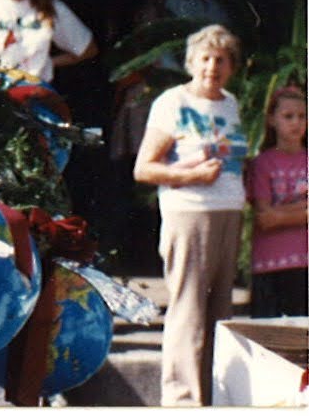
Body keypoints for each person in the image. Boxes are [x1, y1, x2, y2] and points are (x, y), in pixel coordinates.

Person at [133, 24, 249, 406]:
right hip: (190, 214)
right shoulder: (172, 102)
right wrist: (192, 176)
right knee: (188, 307)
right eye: (206, 58)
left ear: (231, 66)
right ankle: (181, 400)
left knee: (220, 309)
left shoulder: (230, 103)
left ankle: (213, 395)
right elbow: (144, 169)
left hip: (228, 212)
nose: (213, 66)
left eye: (221, 59)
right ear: (191, 62)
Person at [247, 84, 307, 317]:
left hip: (304, 263)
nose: (296, 123)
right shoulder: (262, 163)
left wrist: (280, 213)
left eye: (302, 116)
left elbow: (273, 215)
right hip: (269, 261)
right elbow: (265, 218)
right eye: (288, 116)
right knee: (266, 336)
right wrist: (303, 208)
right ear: (272, 120)